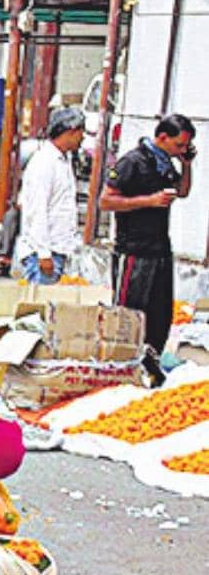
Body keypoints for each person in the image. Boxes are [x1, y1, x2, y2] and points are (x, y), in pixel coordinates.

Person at [100, 113, 197, 385]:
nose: (181, 150)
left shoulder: (164, 163)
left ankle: (149, 365)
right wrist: (149, 201)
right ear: (162, 138)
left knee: (159, 312)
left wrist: (186, 165)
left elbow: (182, 191)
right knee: (130, 311)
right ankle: (120, 368)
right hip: (134, 248)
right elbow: (106, 202)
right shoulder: (133, 161)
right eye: (179, 145)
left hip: (160, 248)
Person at [14, 107, 88, 286]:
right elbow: (36, 210)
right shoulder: (45, 162)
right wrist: (43, 254)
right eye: (80, 133)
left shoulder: (63, 160)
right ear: (70, 132)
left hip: (57, 248)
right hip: (43, 253)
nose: (82, 138)